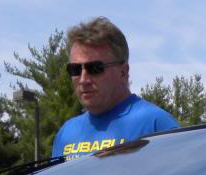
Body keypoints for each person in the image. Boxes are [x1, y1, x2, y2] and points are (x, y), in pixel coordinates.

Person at [52, 17, 179, 161]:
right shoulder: (66, 133)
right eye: (75, 69)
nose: (83, 80)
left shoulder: (155, 124)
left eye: (94, 68)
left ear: (123, 72)